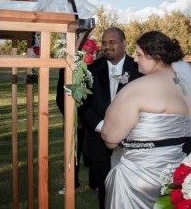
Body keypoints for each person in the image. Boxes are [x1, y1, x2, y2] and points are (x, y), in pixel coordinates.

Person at [101, 30, 191, 209]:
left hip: (139, 179)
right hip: (177, 177)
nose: (135, 59)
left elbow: (109, 138)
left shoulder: (137, 88)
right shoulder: (186, 87)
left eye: (139, 54)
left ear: (155, 56)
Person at [81, 27, 140, 209]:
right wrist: (102, 127)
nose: (107, 47)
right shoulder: (90, 70)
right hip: (98, 143)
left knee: (131, 191)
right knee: (105, 192)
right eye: (104, 43)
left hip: (132, 144)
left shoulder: (139, 68)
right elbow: (83, 105)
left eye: (112, 42)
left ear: (124, 43)